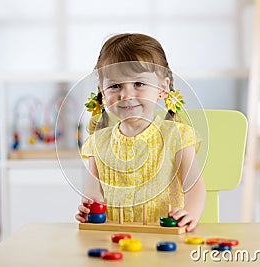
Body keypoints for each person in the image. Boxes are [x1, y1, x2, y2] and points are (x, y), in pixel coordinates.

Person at [75, 33, 206, 232]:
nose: (126, 95)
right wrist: (89, 207)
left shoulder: (176, 136)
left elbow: (195, 187)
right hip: (115, 240)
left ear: (162, 89)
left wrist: (190, 213)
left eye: (139, 84)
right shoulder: (98, 142)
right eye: (115, 86)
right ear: (102, 91)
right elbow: (94, 192)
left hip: (164, 237)